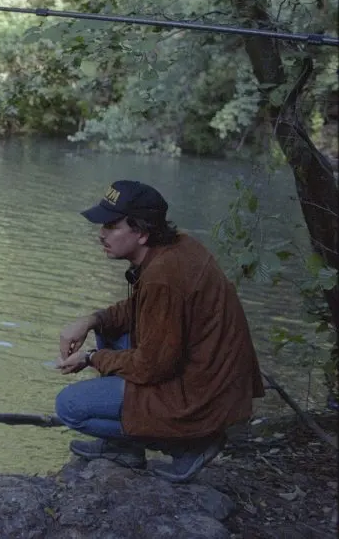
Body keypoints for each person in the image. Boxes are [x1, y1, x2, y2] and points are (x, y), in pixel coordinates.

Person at [54, 181, 264, 483]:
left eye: (112, 225)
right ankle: (124, 447)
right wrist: (91, 320)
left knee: (70, 407)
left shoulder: (164, 277)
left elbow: (151, 366)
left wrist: (91, 358)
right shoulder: (175, 246)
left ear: (141, 232)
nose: (101, 234)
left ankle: (190, 445)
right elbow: (141, 310)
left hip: (202, 396)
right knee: (108, 330)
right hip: (207, 377)